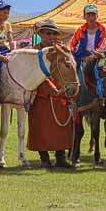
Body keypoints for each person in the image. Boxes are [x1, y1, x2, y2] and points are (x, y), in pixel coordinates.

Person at [27, 20, 73, 168]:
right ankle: (44, 158)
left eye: (54, 33)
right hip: (42, 96)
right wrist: (50, 87)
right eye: (48, 33)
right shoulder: (33, 52)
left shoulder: (63, 51)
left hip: (60, 95)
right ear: (40, 34)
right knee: (41, 128)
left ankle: (61, 158)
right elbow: (33, 75)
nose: (51, 36)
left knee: (61, 129)